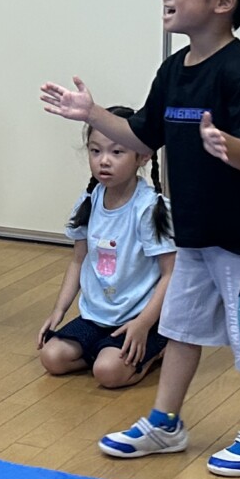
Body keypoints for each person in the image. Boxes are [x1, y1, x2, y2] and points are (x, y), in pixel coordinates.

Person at [39, 0, 240, 476]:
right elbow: (142, 135)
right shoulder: (175, 70)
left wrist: (227, 146)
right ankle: (166, 422)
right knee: (180, 330)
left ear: (223, 1)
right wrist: (91, 113)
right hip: (196, 235)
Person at [38, 108, 177, 389]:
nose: (104, 161)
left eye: (117, 152)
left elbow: (170, 274)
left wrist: (143, 324)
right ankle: (104, 349)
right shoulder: (89, 200)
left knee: (108, 372)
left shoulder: (149, 208)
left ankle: (159, 345)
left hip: (141, 318)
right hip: (96, 316)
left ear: (143, 155)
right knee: (52, 358)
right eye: (95, 151)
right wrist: (58, 311)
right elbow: (78, 261)